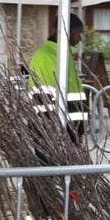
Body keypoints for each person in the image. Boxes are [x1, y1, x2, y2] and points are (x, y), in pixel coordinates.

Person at [27, 12, 88, 143]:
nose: (80, 39)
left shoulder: (61, 55)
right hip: (53, 133)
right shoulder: (47, 57)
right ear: (69, 33)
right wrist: (56, 132)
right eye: (79, 33)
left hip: (68, 129)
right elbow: (45, 98)